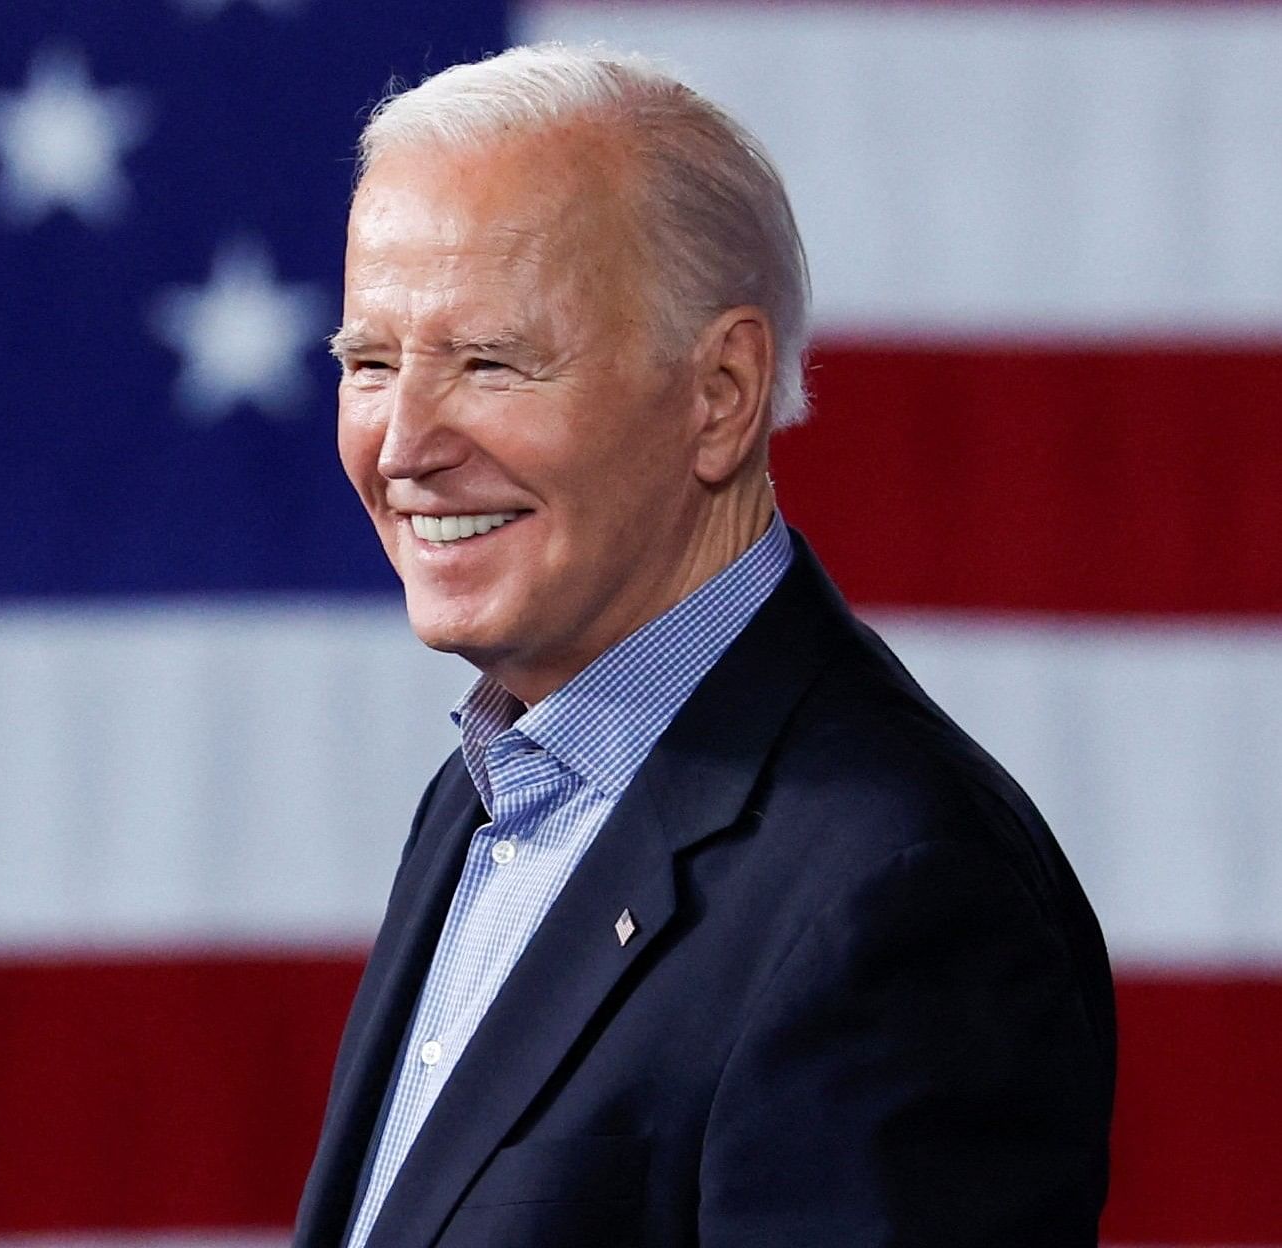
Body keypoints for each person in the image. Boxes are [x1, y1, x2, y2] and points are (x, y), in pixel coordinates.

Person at [294, 44, 1115, 1247]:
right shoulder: (493, 792)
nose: (403, 442)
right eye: (369, 363)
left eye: (490, 362)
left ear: (719, 393)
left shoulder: (895, 892)